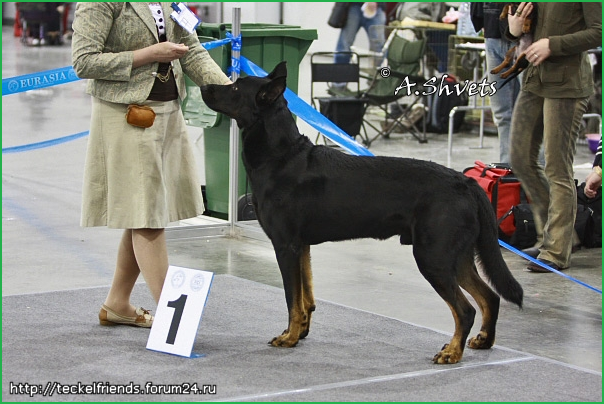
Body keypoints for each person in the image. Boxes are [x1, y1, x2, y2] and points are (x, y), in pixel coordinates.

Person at [71, 3, 231, 327]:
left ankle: (117, 303)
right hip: (125, 114)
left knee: (142, 211)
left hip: (169, 113)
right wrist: (148, 54)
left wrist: (233, 93)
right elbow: (83, 61)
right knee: (147, 215)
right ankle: (174, 320)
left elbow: (193, 51)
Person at [506, 2, 602, 272]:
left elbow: (599, 30)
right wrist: (515, 28)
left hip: (568, 85)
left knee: (557, 167)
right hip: (534, 79)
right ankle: (555, 234)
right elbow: (525, 24)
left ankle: (556, 250)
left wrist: (553, 44)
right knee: (520, 159)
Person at [470, 3, 521, 164]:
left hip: (526, 36)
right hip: (493, 33)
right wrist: (482, 20)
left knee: (532, 112)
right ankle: (507, 173)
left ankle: (539, 177)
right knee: (501, 113)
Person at [332, 2, 387, 87]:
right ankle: (339, 83)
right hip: (354, 6)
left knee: (379, 48)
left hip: (377, 7)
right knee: (344, 46)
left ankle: (375, 81)